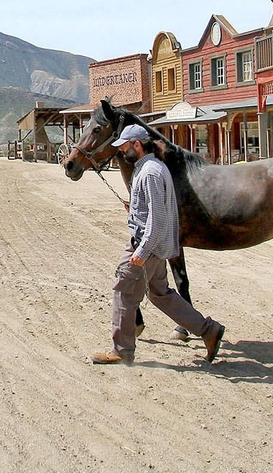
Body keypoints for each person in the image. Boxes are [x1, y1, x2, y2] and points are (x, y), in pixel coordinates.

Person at [90, 124, 225, 366]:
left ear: (137, 145)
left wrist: (142, 251)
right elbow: (155, 208)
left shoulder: (150, 172)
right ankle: (208, 330)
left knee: (124, 292)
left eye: (124, 145)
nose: (121, 150)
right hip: (155, 246)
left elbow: (159, 217)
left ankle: (121, 350)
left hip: (146, 245)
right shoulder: (151, 168)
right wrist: (135, 208)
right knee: (161, 294)